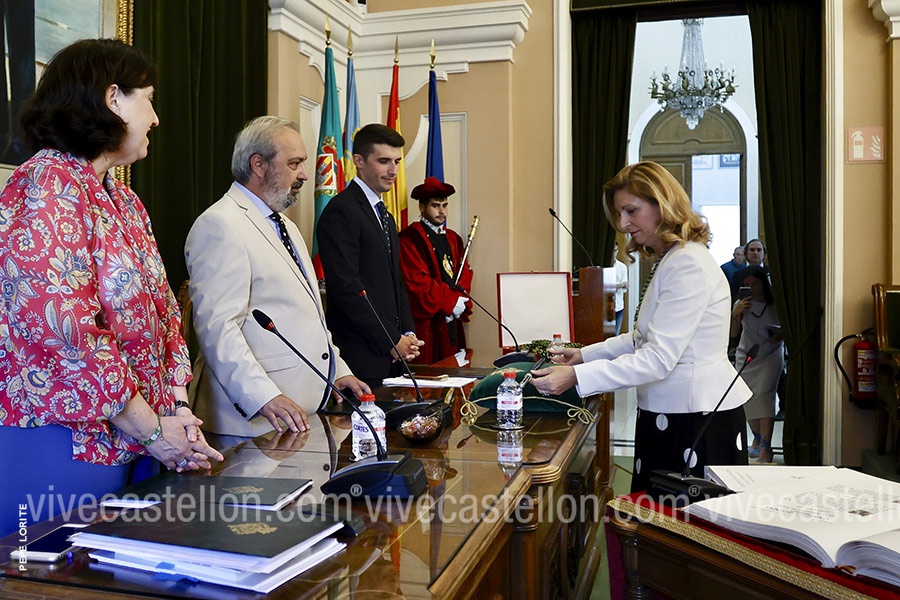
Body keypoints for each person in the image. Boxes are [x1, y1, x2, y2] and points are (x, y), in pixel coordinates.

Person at [0, 39, 222, 537]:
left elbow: (165, 316)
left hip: (142, 437)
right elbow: (62, 329)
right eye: (149, 100)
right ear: (112, 98)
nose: (156, 119)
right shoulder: (48, 182)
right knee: (59, 572)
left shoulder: (124, 199)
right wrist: (153, 428)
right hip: (65, 442)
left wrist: (178, 411)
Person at [530, 161, 751, 493]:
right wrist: (583, 356)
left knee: (680, 524)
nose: (623, 224)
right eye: (619, 213)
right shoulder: (673, 258)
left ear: (663, 204)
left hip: (695, 421)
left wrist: (576, 377)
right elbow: (640, 339)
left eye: (631, 211)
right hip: (675, 415)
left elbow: (658, 359)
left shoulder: (687, 263)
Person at [184, 116, 370, 443]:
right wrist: (262, 396)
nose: (304, 174)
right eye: (294, 163)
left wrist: (338, 371)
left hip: (301, 415)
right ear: (258, 164)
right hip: (251, 421)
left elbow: (307, 316)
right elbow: (218, 327)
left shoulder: (286, 226)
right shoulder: (220, 224)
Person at [317, 123, 423, 386]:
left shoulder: (385, 215)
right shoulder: (342, 210)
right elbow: (346, 287)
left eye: (397, 161)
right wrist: (391, 340)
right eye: (384, 161)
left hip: (392, 358)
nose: (393, 171)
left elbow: (396, 282)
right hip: (358, 360)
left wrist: (407, 334)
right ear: (359, 161)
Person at [398, 177, 473, 364]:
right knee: (430, 374)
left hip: (451, 321)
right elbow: (416, 280)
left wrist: (460, 299)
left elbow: (464, 272)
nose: (442, 211)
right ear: (422, 207)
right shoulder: (409, 238)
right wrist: (449, 302)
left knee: (454, 370)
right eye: (435, 206)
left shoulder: (453, 238)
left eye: (445, 205)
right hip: (428, 323)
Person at [730, 266, 784, 463]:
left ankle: (766, 448)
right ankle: (758, 438)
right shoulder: (742, 304)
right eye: (747, 285)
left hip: (770, 354)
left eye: (755, 284)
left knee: (763, 395)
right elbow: (733, 334)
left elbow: (787, 330)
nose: (752, 288)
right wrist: (735, 314)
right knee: (746, 398)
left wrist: (779, 335)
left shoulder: (777, 304)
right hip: (747, 355)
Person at [612, 242, 628, 335]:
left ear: (617, 251)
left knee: (616, 335)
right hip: (604, 306)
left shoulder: (622, 267)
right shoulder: (602, 267)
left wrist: (614, 286)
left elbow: (625, 286)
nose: (613, 253)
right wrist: (620, 285)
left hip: (618, 305)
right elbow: (602, 286)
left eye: (615, 251)